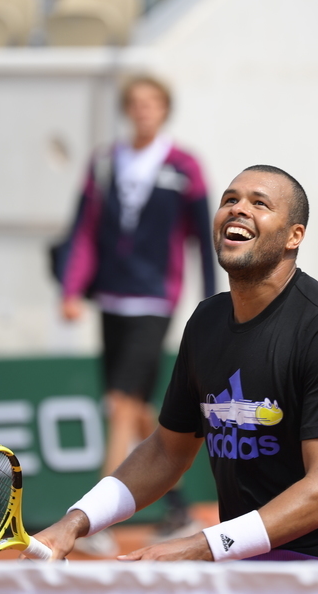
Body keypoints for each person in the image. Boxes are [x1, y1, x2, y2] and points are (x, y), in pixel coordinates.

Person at [37, 165, 318, 562]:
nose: (239, 209)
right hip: (254, 560)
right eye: (230, 200)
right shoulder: (206, 322)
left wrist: (201, 547)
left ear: (294, 236)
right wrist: (75, 521)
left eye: (259, 203)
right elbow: (166, 452)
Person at [58, 74, 216, 549]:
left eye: (153, 102)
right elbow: (82, 229)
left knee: (122, 404)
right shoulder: (104, 161)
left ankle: (94, 522)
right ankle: (179, 508)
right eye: (136, 102)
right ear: (127, 109)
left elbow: (204, 239)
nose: (144, 110)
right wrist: (71, 289)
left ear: (165, 109)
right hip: (111, 297)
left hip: (156, 298)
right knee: (136, 408)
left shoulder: (185, 166)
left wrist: (214, 301)